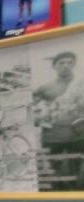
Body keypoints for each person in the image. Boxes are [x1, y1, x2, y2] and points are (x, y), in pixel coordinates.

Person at [33, 51, 84, 190]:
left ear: (74, 65)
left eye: (69, 62)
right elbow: (30, 107)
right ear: (54, 66)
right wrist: (38, 118)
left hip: (77, 135)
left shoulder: (81, 84)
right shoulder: (45, 87)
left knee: (75, 169)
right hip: (52, 136)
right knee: (51, 170)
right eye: (61, 63)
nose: (66, 65)